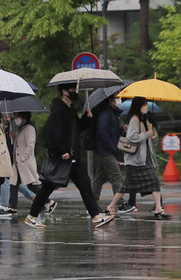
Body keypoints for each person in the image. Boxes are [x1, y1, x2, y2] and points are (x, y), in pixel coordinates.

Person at [25, 84, 114, 230]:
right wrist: (60, 151)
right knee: (47, 187)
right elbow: (49, 133)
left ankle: (96, 216)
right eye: (72, 90)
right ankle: (32, 216)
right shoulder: (58, 109)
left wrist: (87, 118)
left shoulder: (70, 109)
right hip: (63, 157)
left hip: (73, 157)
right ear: (64, 92)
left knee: (85, 185)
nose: (75, 92)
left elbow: (77, 128)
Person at [105, 97, 166, 219]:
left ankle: (158, 208)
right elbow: (132, 137)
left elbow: (149, 136)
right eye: (144, 104)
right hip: (135, 160)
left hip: (145, 158)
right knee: (128, 185)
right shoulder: (135, 119)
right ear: (139, 105)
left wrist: (151, 131)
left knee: (152, 181)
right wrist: (146, 134)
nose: (146, 106)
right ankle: (111, 206)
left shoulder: (145, 119)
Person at [9, 111, 53, 214]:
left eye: (16, 116)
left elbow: (30, 146)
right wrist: (14, 137)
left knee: (31, 185)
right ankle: (12, 208)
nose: (15, 119)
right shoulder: (22, 128)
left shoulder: (29, 128)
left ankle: (49, 201)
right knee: (13, 184)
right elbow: (21, 143)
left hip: (25, 163)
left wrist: (22, 158)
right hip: (19, 163)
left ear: (22, 116)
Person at [91, 94, 124, 205]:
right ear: (111, 101)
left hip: (105, 150)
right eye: (117, 98)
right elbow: (102, 132)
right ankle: (119, 203)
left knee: (99, 178)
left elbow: (112, 131)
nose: (119, 100)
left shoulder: (113, 114)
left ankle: (92, 202)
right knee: (116, 176)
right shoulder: (105, 114)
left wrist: (121, 129)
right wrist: (112, 147)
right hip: (105, 150)